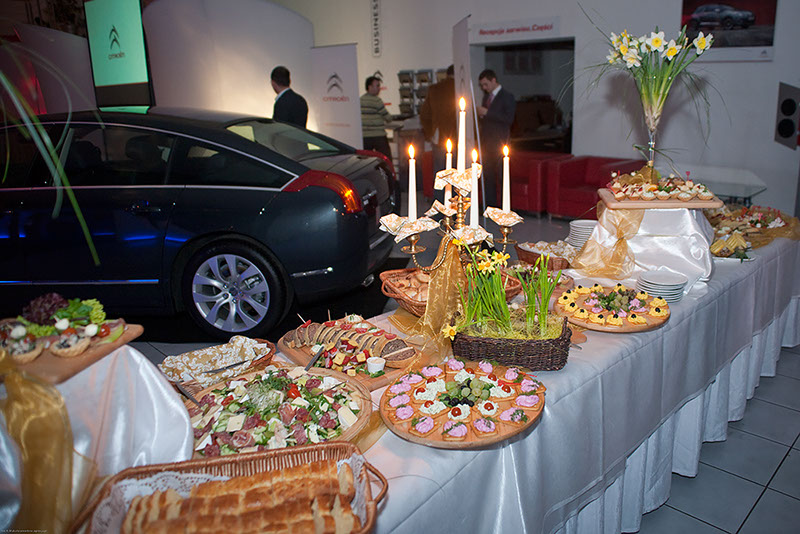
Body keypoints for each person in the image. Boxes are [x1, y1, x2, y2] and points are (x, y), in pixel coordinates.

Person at [477, 69, 516, 209]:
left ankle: (506, 208)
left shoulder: (507, 96)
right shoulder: (486, 98)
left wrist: (488, 112)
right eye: (482, 85)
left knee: (503, 177)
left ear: (493, 80)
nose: (484, 88)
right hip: (487, 143)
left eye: (486, 84)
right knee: (487, 177)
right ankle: (490, 208)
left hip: (500, 142)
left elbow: (508, 119)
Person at [419, 65, 457, 202]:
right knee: (457, 173)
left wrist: (430, 133)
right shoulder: (460, 89)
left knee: (440, 172)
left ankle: (439, 204)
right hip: (458, 137)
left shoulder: (434, 89)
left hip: (438, 136)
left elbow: (424, 114)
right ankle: (455, 204)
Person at [360, 76, 393, 160]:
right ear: (370, 87)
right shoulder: (377, 100)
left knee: (365, 161)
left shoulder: (360, 100)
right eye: (377, 86)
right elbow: (388, 118)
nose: (379, 89)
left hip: (365, 137)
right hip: (378, 136)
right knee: (386, 160)